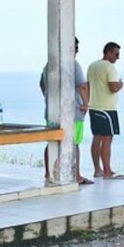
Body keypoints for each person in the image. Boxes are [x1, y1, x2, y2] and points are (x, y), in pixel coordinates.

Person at [40, 37, 93, 185]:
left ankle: (48, 173)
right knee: (74, 142)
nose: (76, 51)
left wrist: (49, 98)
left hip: (51, 111)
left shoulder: (49, 65)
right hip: (72, 112)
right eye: (75, 48)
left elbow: (42, 84)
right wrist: (85, 104)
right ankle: (76, 175)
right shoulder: (73, 64)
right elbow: (83, 86)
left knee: (52, 142)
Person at [86, 42, 124, 179]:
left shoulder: (91, 66)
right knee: (108, 139)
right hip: (107, 109)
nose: (118, 57)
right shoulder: (109, 67)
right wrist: (120, 84)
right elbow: (113, 87)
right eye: (116, 54)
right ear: (108, 52)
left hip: (94, 107)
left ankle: (98, 170)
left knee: (97, 138)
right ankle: (107, 171)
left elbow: (88, 86)